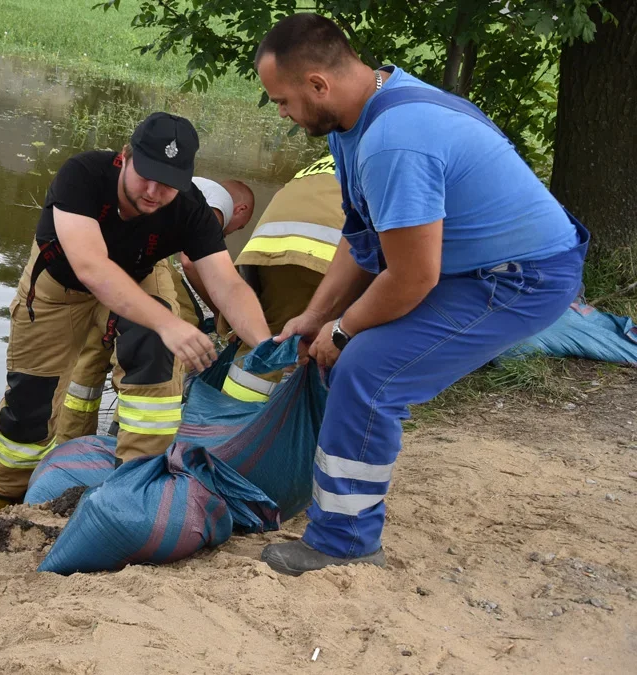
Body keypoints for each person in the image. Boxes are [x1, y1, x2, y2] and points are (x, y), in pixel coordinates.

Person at [254, 14, 588, 575]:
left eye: (283, 101)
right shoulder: (350, 122)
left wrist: (342, 330)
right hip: (468, 265)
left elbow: (410, 278)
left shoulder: (393, 141)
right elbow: (363, 241)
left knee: (367, 370)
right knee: (348, 353)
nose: (283, 115)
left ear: (318, 84)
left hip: (522, 277)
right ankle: (336, 501)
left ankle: (344, 543)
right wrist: (315, 315)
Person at [0, 112, 273, 512]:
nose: (153, 191)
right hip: (64, 281)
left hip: (139, 272)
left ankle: (133, 488)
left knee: (156, 355)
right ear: (125, 156)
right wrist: (169, 323)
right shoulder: (81, 175)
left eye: (168, 182)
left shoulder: (190, 208)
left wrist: (266, 346)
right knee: (31, 397)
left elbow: (227, 283)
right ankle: (5, 494)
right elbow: (92, 268)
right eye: (145, 174)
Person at [54, 176, 256, 443]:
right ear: (239, 210)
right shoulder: (221, 203)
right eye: (239, 228)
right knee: (176, 329)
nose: (231, 233)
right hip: (141, 260)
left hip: (101, 255)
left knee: (93, 355)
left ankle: (69, 446)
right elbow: (192, 262)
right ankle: (125, 438)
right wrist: (221, 314)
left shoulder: (186, 185)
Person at [214, 154, 345, 403]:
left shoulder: (337, 153)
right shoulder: (398, 155)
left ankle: (226, 420)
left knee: (269, 332)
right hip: (322, 250)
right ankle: (237, 423)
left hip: (266, 247)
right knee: (305, 339)